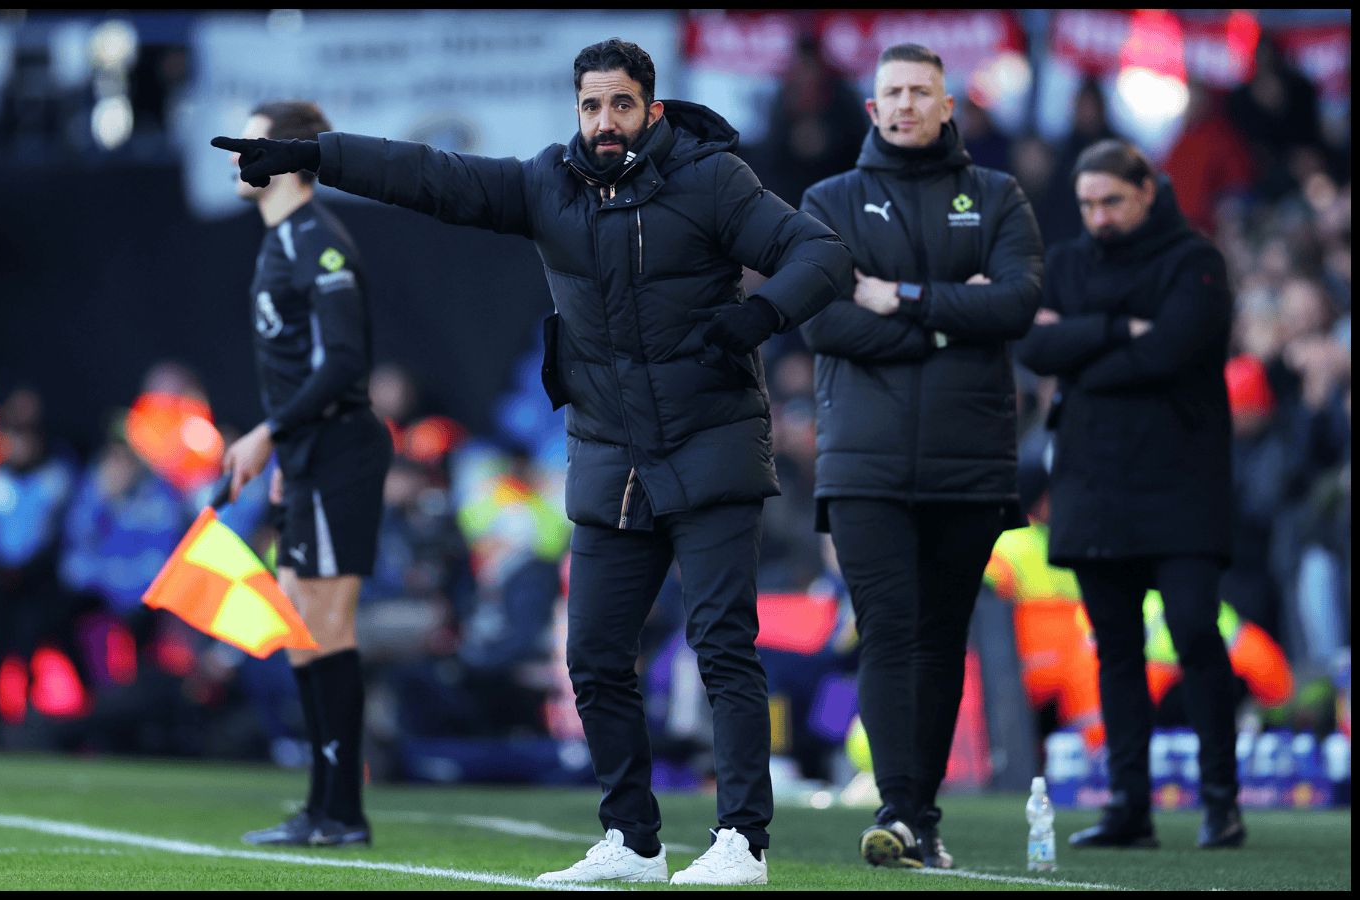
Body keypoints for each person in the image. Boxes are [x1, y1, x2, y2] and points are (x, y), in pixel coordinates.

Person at [213, 38, 851, 885]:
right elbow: (431, 175)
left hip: (710, 444)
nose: (604, 121)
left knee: (721, 647)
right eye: (590, 106)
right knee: (590, 655)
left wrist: (760, 315)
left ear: (650, 109)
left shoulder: (712, 179)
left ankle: (742, 842)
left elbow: (823, 255)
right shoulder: (546, 184)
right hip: (609, 456)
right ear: (575, 111)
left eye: (620, 104)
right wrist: (317, 157)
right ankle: (632, 842)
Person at [797, 42, 1043, 870]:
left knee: (939, 639)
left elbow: (1013, 305)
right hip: (862, 462)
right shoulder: (826, 201)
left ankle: (918, 814)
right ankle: (901, 811)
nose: (903, 105)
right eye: (890, 93)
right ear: (871, 109)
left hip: (968, 459)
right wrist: (949, 322)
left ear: (948, 107)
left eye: (919, 92)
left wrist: (898, 300)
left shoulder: (1000, 196)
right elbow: (825, 322)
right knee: (887, 632)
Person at [1017, 139, 1245, 850]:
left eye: (1110, 200)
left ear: (1147, 190)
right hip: (1092, 482)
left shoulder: (1194, 261)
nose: (1098, 216)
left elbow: (1168, 350)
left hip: (1180, 483)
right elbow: (1032, 346)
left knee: (1193, 634)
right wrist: (1117, 331)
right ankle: (1128, 807)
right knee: (1111, 649)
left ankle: (1219, 801)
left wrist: (1080, 351)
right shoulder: (1067, 262)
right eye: (1087, 204)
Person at [219, 100, 394, 848]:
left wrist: (269, 433)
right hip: (309, 456)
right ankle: (323, 808)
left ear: (288, 157)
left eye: (250, 141)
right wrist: (286, 451)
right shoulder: (279, 241)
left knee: (323, 624)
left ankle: (341, 812)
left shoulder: (317, 242)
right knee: (298, 626)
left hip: (338, 450)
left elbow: (344, 365)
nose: (236, 155)